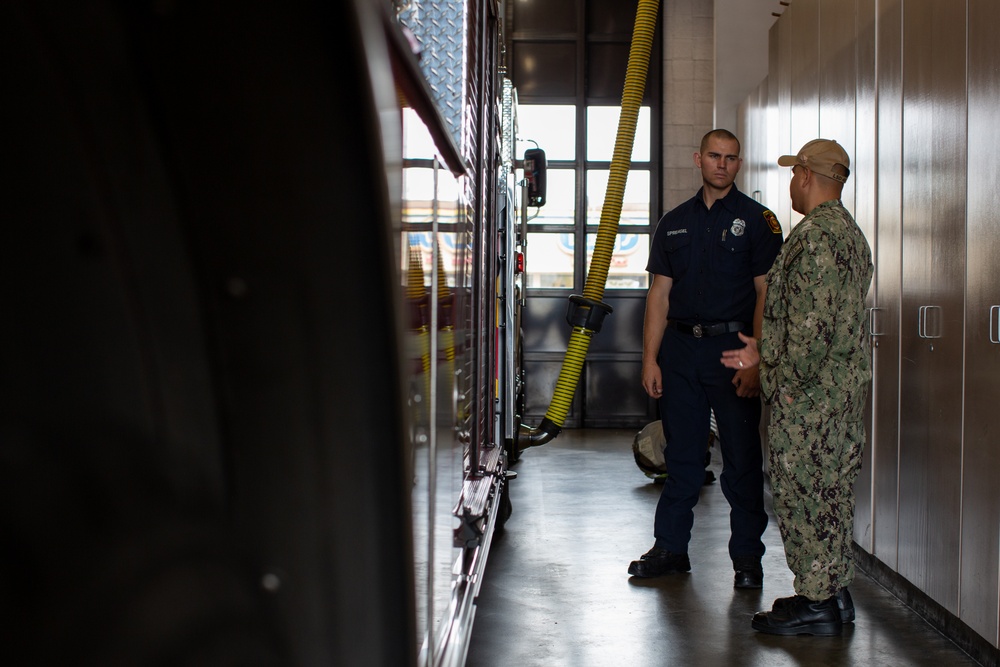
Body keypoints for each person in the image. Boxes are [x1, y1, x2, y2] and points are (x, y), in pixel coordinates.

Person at [720, 138, 873, 636]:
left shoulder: (814, 239)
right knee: (829, 495)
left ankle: (815, 601)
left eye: (793, 173)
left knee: (803, 495)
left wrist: (764, 361)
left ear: (806, 175)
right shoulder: (850, 236)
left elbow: (809, 334)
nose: (790, 182)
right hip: (838, 396)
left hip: (810, 402)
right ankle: (831, 592)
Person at [629, 129, 783, 589]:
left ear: (740, 164)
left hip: (732, 351)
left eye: (731, 158)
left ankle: (747, 561)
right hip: (679, 352)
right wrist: (649, 359)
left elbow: (765, 291)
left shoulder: (759, 221)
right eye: (714, 156)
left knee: (740, 460)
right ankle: (671, 549)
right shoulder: (673, 222)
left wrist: (756, 354)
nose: (722, 164)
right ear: (698, 159)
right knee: (683, 459)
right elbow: (659, 293)